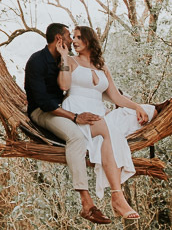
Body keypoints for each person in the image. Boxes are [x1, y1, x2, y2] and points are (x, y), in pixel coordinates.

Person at [58, 25, 156, 220]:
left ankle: (116, 195)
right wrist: (63, 56)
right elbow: (64, 85)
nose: (74, 41)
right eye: (73, 38)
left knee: (149, 111)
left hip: (101, 111)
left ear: (89, 40)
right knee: (109, 132)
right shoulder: (69, 60)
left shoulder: (101, 66)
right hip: (79, 111)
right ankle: (117, 196)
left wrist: (136, 106)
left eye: (78, 37)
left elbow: (115, 98)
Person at [25, 23, 111, 225]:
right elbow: (45, 104)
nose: (72, 41)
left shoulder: (62, 59)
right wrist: (74, 116)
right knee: (76, 138)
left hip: (62, 108)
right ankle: (87, 204)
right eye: (68, 36)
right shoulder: (36, 61)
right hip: (43, 112)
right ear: (59, 39)